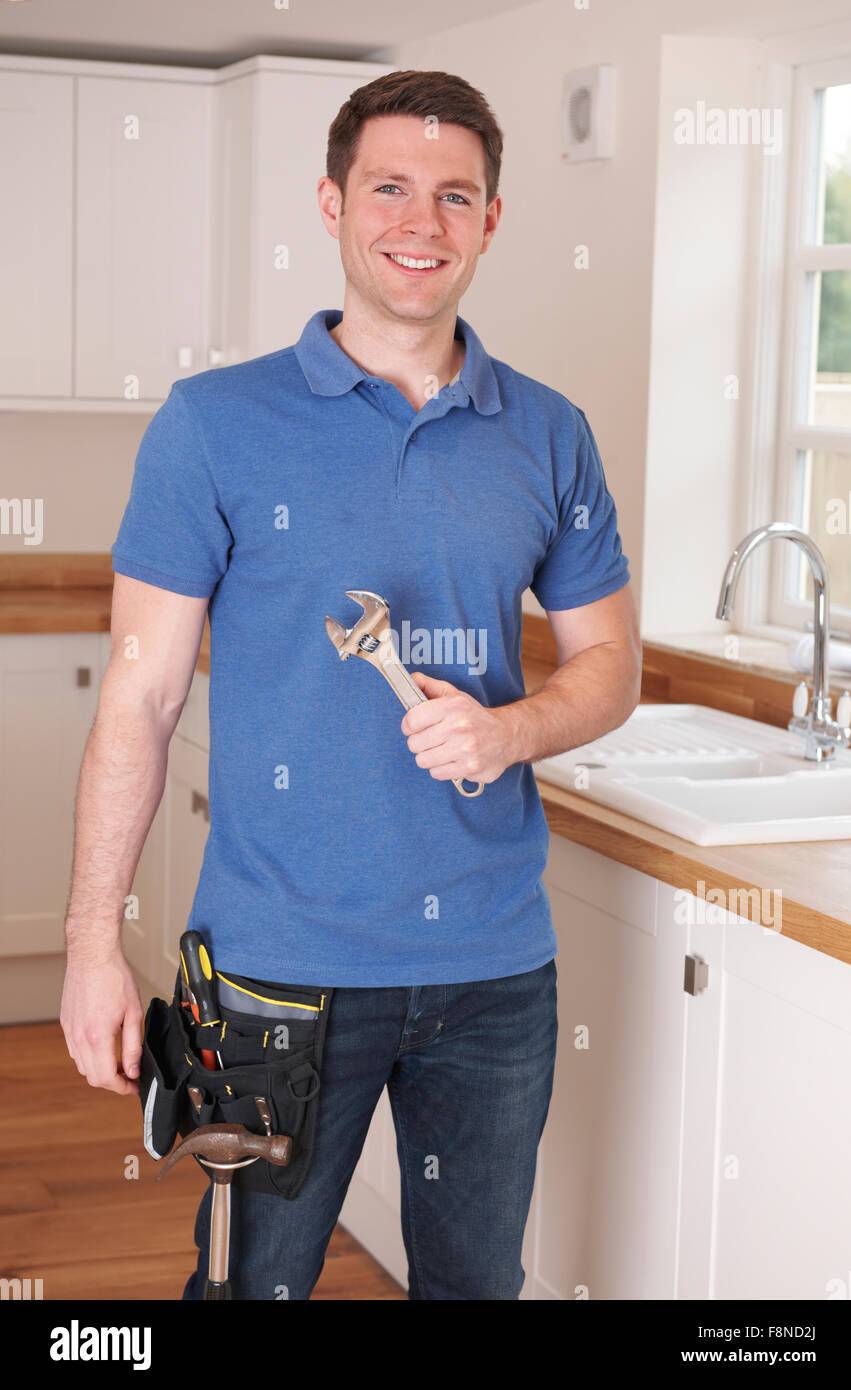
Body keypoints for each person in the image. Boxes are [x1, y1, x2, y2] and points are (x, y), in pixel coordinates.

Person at [60, 68, 641, 1300]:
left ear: (491, 220)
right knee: (246, 1284)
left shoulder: (549, 431)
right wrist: (89, 945)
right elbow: (140, 698)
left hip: (492, 973)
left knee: (474, 1287)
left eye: (452, 195)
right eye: (388, 187)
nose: (418, 222)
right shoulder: (213, 424)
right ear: (330, 203)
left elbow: (609, 667)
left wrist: (512, 728)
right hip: (274, 969)